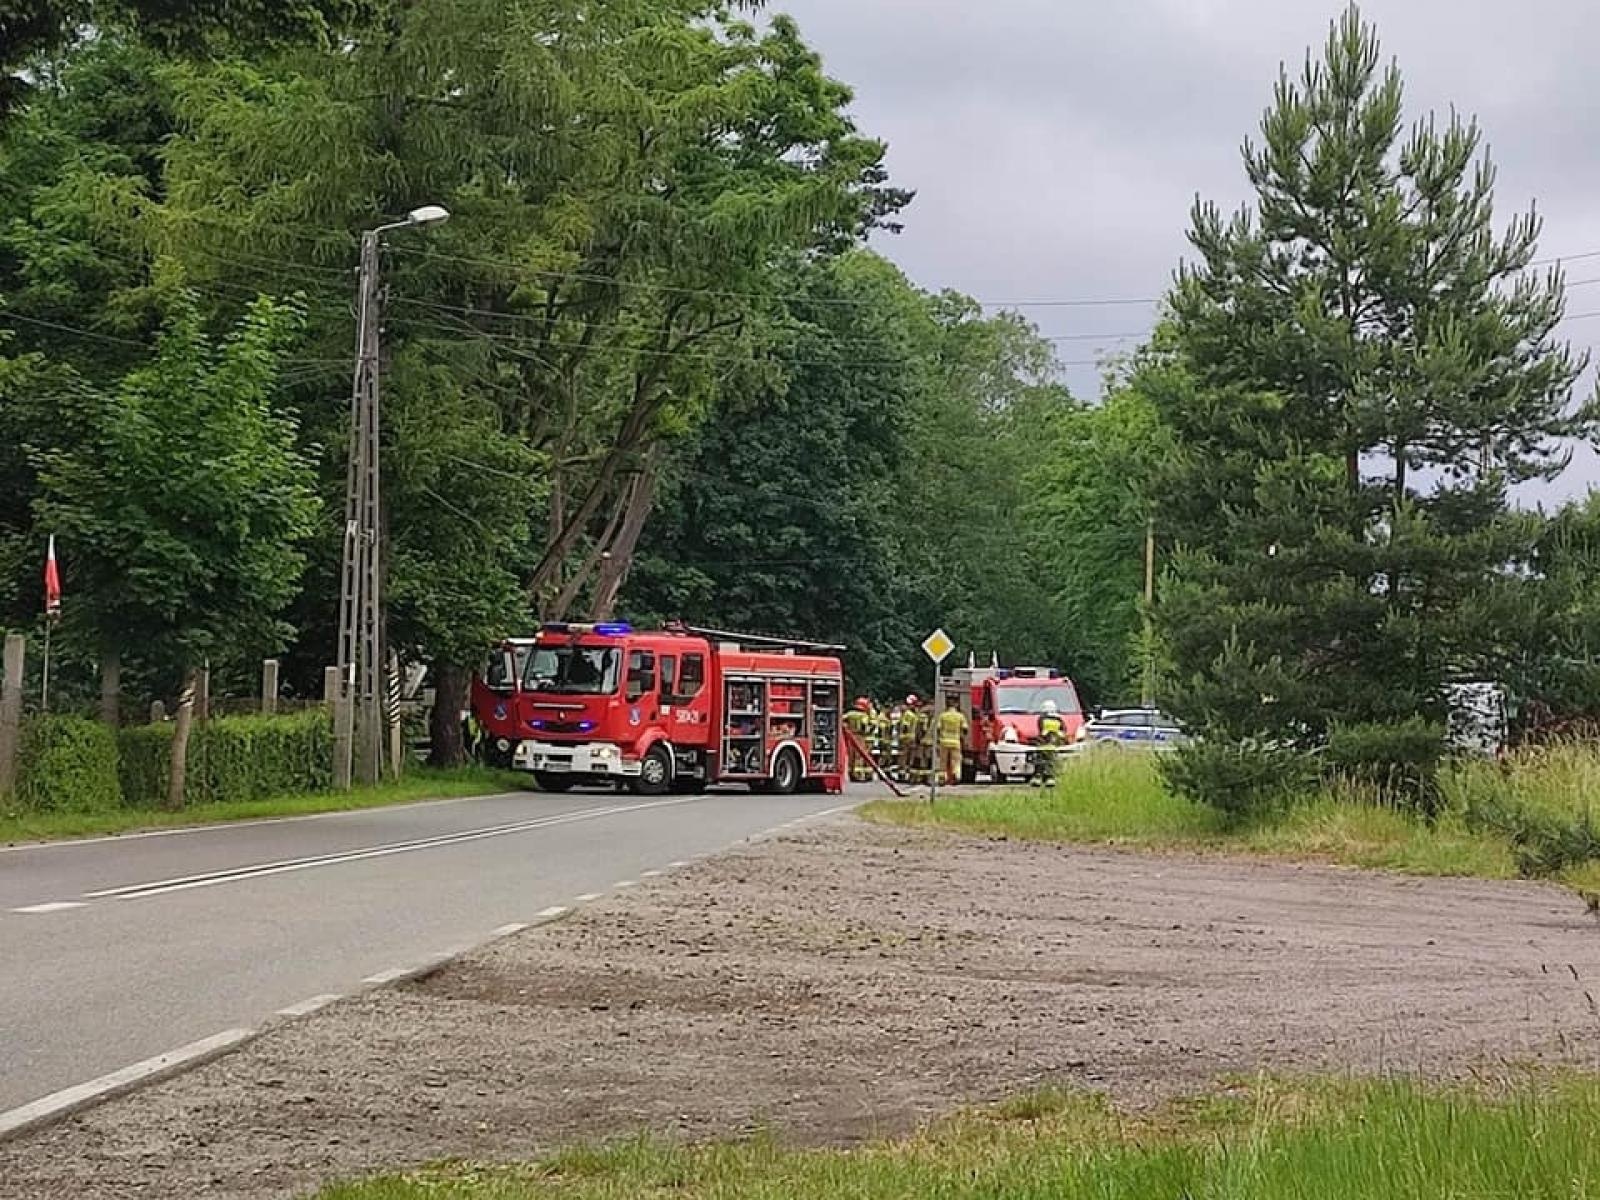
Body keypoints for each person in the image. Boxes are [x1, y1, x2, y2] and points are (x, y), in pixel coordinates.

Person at [936, 695, 969, 787]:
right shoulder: (960, 716)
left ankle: (942, 777)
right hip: (955, 742)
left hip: (944, 741)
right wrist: (962, 736)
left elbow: (938, 728)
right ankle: (956, 775)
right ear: (956, 705)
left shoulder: (943, 716)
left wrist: (939, 738)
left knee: (943, 761)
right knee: (956, 761)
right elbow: (965, 729)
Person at [1033, 699, 1066, 788]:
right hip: (1052, 743)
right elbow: (1063, 731)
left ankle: (1040, 777)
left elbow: (1041, 729)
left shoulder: (1042, 718)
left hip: (1045, 743)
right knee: (1049, 761)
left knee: (1042, 761)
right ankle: (1048, 777)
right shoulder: (1059, 719)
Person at [843, 697, 873, 782]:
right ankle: (858, 775)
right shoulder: (864, 716)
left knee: (851, 755)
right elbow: (864, 725)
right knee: (859, 756)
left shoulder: (850, 713)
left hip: (850, 736)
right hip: (860, 736)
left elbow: (841, 719)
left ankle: (851, 773)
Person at [897, 694, 923, 782]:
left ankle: (906, 774)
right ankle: (902, 775)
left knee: (908, 757)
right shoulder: (909, 714)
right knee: (904, 757)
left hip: (910, 738)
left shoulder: (912, 714)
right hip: (907, 738)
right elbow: (905, 726)